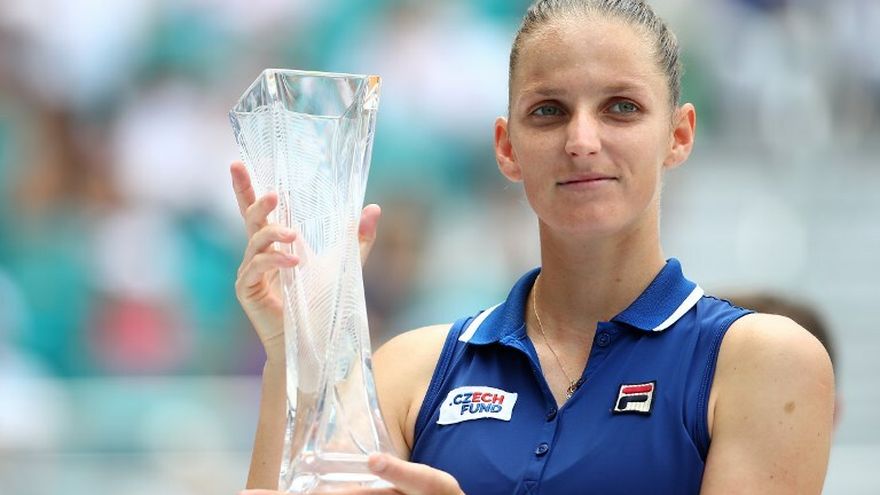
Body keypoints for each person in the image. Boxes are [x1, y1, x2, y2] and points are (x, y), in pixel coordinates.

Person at [231, 1, 835, 493]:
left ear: (678, 134)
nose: (581, 140)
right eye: (549, 111)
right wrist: (297, 350)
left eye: (621, 108)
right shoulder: (411, 371)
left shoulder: (764, 362)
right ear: (507, 148)